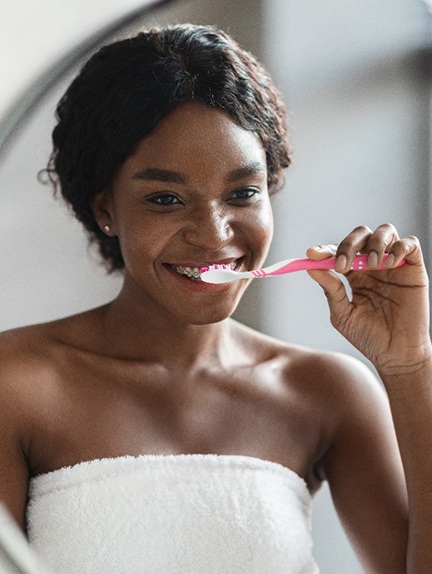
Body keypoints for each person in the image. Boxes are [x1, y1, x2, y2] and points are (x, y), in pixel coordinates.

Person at [0, 23, 431, 574]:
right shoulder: (17, 383)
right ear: (106, 209)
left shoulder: (327, 394)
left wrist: (410, 364)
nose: (214, 234)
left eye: (242, 193)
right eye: (165, 199)